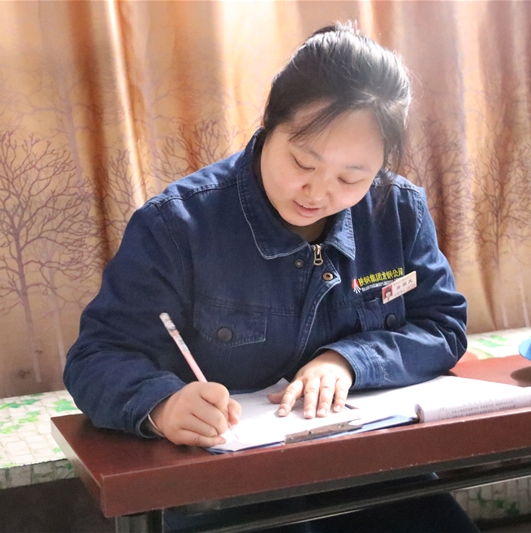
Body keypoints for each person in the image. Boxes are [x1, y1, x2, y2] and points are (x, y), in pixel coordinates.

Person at [65, 21, 478, 533]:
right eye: (302, 162)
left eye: (351, 177)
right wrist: (162, 404)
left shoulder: (396, 211)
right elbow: (96, 356)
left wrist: (349, 361)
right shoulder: (177, 225)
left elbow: (442, 325)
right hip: (228, 490)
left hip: (373, 473)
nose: (318, 193)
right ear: (268, 125)